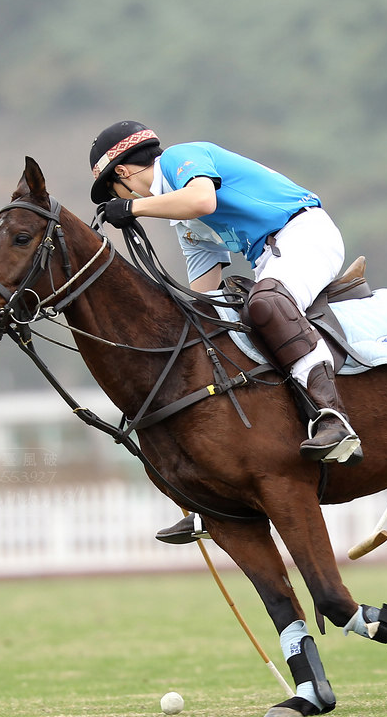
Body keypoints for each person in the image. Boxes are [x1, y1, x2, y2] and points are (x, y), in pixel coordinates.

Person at [88, 120, 363, 465]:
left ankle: (333, 417)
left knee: (267, 304)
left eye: (113, 191)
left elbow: (202, 199)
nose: (120, 199)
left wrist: (133, 209)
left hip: (306, 233)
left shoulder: (178, 158)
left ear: (123, 172)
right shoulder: (182, 219)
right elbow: (205, 291)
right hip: (269, 259)